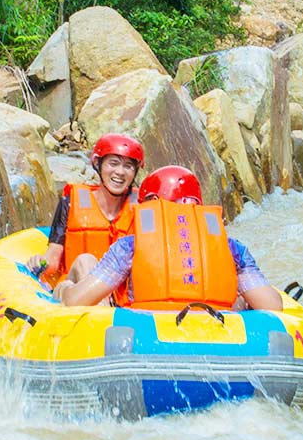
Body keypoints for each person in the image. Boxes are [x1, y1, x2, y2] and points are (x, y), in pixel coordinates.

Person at [57, 164, 283, 312]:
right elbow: (272, 307)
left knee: (71, 285)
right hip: (214, 334)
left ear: (149, 204)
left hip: (147, 340)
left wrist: (65, 288)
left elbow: (77, 301)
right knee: (241, 301)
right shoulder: (231, 248)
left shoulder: (130, 246)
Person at [27, 133, 144, 284]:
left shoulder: (143, 209)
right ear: (98, 164)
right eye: (113, 163)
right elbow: (53, 258)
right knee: (86, 262)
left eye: (128, 166)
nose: (120, 172)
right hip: (74, 289)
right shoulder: (70, 202)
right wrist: (40, 263)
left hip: (118, 300)